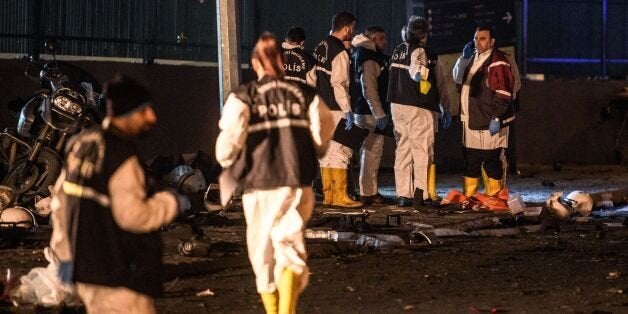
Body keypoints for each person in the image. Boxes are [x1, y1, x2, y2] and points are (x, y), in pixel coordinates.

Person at [48, 74, 190, 313]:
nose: (152, 117)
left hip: (86, 274)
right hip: (120, 275)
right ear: (128, 112)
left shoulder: (80, 144)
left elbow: (61, 206)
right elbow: (133, 216)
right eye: (145, 111)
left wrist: (65, 261)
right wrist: (172, 203)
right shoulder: (120, 154)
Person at [215, 33, 334, 314]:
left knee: (262, 254)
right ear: (282, 62)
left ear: (255, 63)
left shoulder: (243, 96)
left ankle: (274, 311)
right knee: (290, 248)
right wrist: (315, 149)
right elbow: (324, 128)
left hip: (258, 185)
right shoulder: (305, 94)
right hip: (296, 181)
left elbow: (227, 145)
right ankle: (287, 310)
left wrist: (229, 163)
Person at [387, 16, 446, 207]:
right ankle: (421, 194)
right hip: (416, 105)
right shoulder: (419, 50)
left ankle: (403, 194)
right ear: (424, 34)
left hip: (396, 104)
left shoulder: (398, 49)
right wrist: (423, 76)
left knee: (402, 149)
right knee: (421, 149)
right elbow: (417, 72)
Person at [452, 25, 515, 197]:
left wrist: (496, 117)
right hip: (471, 118)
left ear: (492, 41)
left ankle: (495, 197)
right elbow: (457, 78)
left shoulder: (498, 61)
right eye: (475, 38)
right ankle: (470, 197)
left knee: (491, 161)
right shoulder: (473, 58)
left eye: (482, 38)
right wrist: (463, 59)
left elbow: (503, 92)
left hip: (488, 120)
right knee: (471, 161)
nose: (477, 42)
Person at [313, 11, 362, 208]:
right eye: (353, 28)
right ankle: (340, 196)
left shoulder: (320, 47)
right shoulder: (339, 51)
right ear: (347, 28)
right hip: (335, 108)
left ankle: (329, 196)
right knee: (341, 151)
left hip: (319, 108)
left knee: (326, 153)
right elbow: (340, 84)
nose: (353, 32)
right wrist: (348, 110)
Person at [351, 26, 390, 205]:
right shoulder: (370, 57)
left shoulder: (359, 53)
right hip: (369, 112)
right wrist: (379, 113)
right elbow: (369, 88)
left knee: (367, 152)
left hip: (361, 109)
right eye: (381, 38)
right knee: (372, 151)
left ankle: (366, 191)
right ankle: (368, 192)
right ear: (373, 39)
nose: (385, 42)